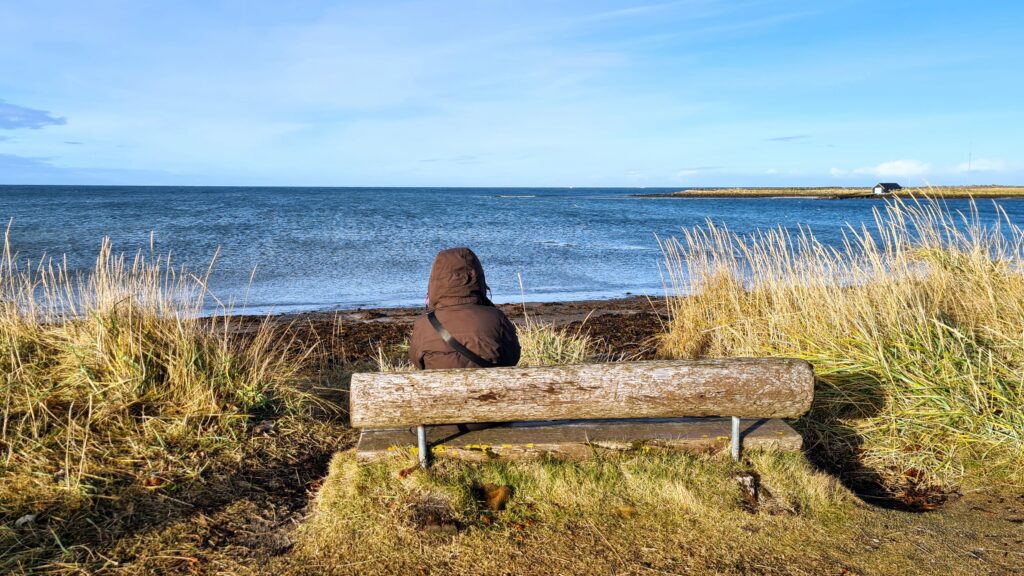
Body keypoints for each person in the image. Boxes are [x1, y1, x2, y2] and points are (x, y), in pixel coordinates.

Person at [409, 247, 520, 370]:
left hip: (441, 388)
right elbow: (512, 358)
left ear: (435, 281)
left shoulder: (424, 324)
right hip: (487, 389)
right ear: (478, 278)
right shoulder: (496, 319)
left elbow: (418, 362)